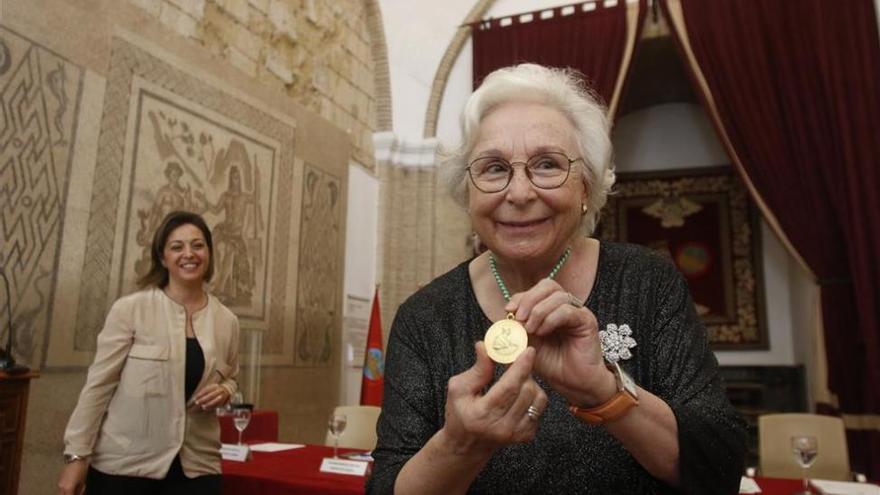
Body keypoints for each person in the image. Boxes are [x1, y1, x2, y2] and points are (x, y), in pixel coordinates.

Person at [366, 64, 746, 494]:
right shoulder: (424, 318)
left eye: (547, 165)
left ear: (586, 186)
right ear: (467, 192)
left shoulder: (648, 282)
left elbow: (719, 469)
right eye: (493, 168)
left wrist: (604, 390)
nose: (521, 193)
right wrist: (459, 446)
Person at [58, 211, 240, 495]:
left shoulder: (227, 320)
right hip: (126, 468)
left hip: (199, 468)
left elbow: (231, 375)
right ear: (162, 257)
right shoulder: (130, 310)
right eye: (177, 247)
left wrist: (226, 390)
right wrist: (77, 456)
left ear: (210, 253)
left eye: (198, 245)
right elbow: (99, 386)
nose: (189, 254)